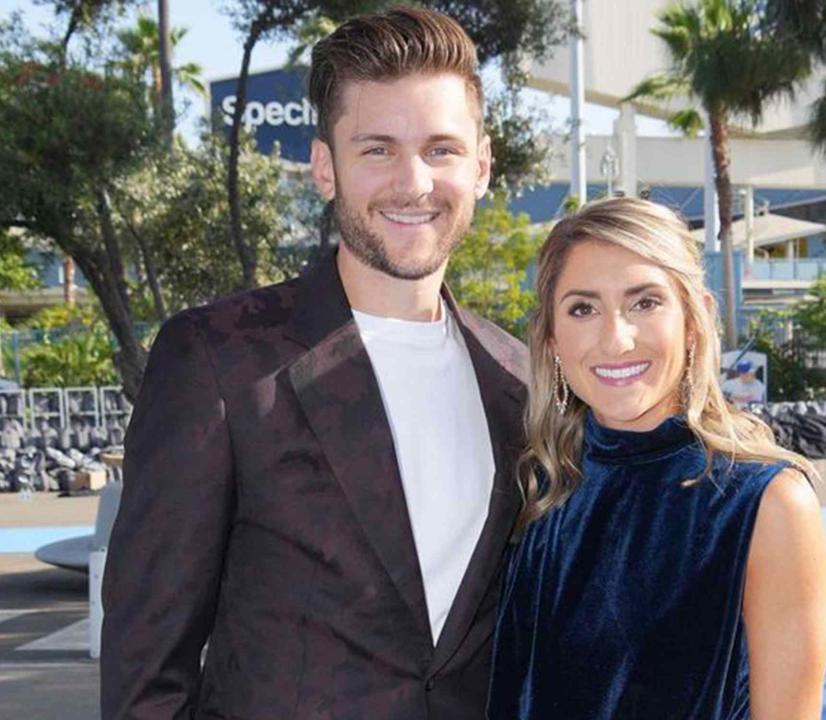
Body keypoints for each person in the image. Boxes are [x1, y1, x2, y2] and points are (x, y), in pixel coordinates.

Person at [101, 8, 527, 720]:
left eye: (442, 149)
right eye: (378, 150)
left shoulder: (520, 380)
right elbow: (147, 665)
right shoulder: (217, 361)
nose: (414, 182)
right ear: (325, 167)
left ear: (482, 165)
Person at [487, 197, 826, 720]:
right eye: (583, 308)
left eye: (645, 302)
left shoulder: (766, 504)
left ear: (695, 320)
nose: (616, 339)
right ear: (552, 339)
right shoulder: (543, 490)